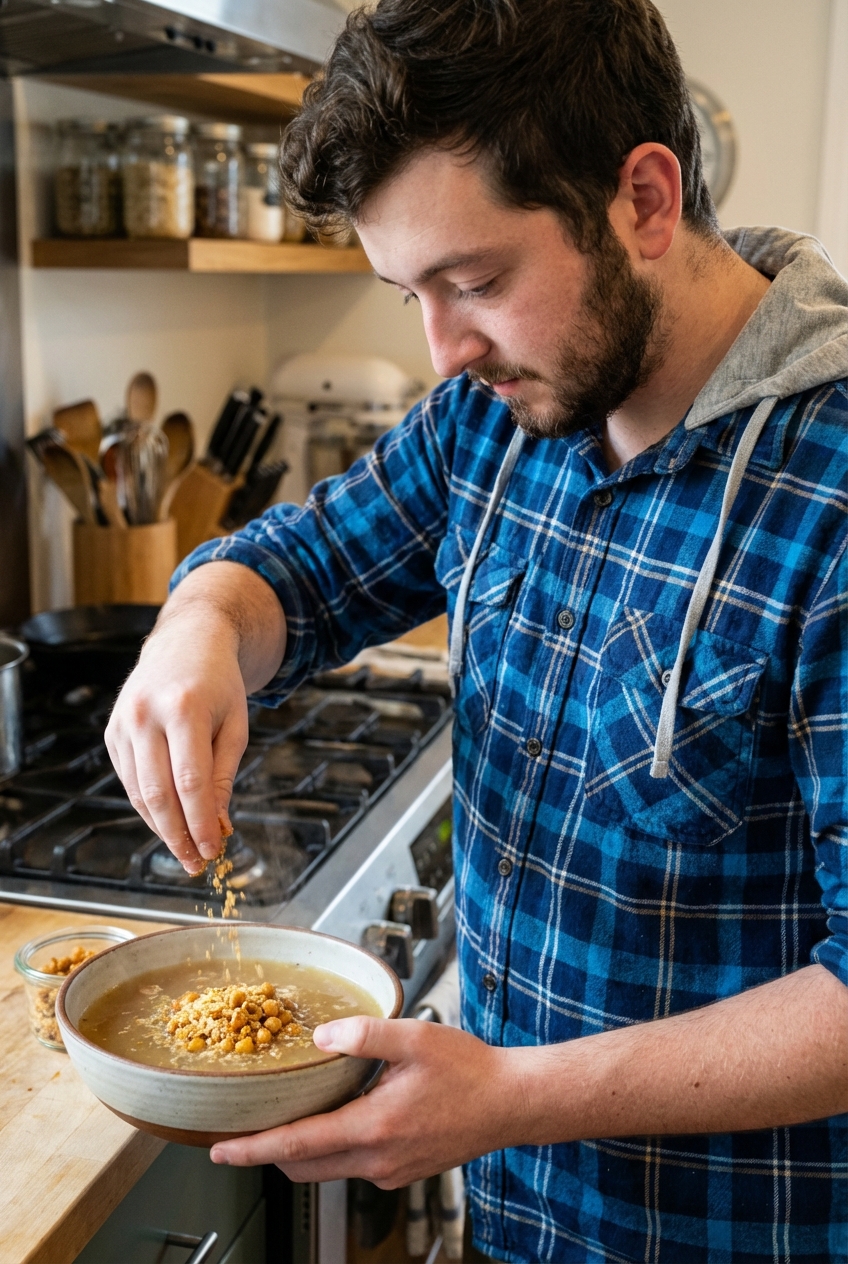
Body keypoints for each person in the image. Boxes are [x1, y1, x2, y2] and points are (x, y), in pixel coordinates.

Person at [105, 0, 848, 1258]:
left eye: (476, 281)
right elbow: (292, 567)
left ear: (645, 202)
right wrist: (196, 627)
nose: (444, 350)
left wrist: (508, 1096)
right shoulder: (492, 418)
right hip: (514, 1213)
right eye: (409, 293)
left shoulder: (827, 496)